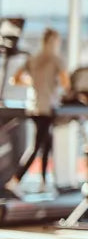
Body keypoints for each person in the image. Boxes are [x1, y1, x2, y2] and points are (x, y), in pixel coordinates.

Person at [4, 28, 70, 196]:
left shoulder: (34, 59)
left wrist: (34, 83)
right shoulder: (56, 59)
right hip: (47, 107)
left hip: (34, 106)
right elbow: (66, 84)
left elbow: (15, 79)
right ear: (54, 41)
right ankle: (15, 180)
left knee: (46, 144)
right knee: (38, 145)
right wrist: (53, 86)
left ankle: (43, 182)